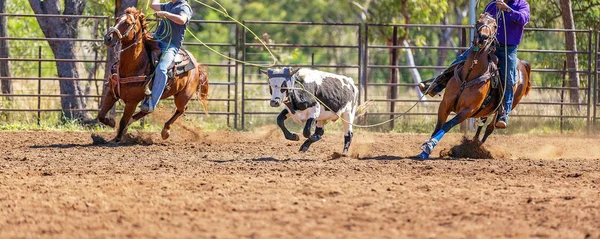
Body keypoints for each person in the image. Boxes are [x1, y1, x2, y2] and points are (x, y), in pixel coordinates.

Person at [419, 0, 530, 128]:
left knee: (509, 78)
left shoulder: (522, 4)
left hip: (507, 49)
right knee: (460, 60)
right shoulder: (492, 4)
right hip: (488, 44)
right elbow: (483, 21)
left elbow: (524, 19)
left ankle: (503, 113)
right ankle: (436, 85)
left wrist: (508, 10)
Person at [141, 0, 193, 113]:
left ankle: (151, 103)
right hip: (156, 38)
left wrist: (165, 14)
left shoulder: (184, 7)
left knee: (161, 69)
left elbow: (182, 20)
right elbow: (153, 5)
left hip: (171, 45)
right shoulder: (169, 5)